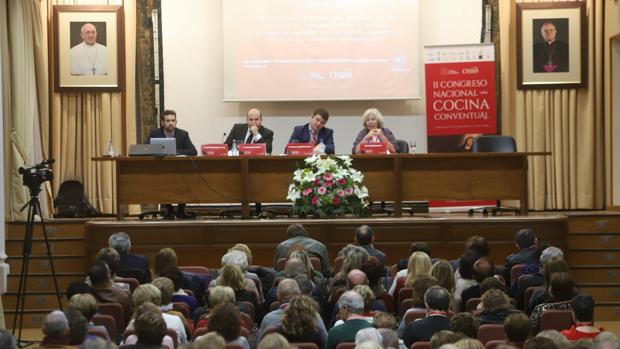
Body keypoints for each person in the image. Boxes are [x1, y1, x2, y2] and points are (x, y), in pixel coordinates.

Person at [148, 109, 197, 219]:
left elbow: (193, 151)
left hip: (179, 169)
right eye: (168, 120)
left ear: (176, 122)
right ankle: (168, 210)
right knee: (162, 180)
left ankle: (180, 210)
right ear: (162, 122)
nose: (170, 123)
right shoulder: (155, 133)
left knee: (186, 179)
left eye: (173, 120)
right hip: (161, 169)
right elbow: (146, 149)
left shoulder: (183, 134)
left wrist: (175, 152)